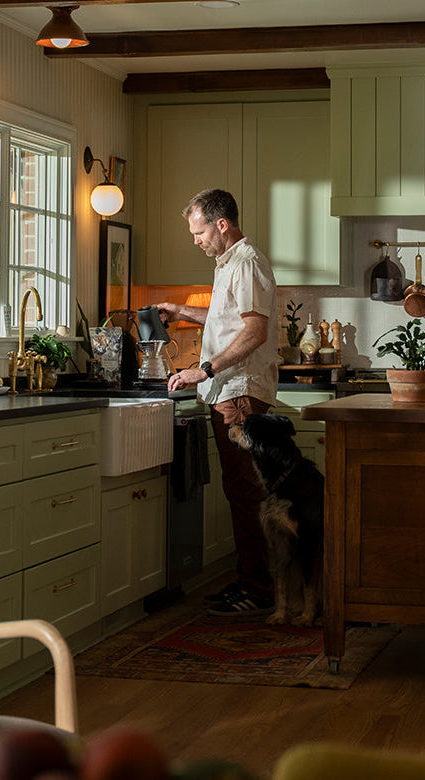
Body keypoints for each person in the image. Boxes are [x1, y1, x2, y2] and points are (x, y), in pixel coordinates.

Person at [156, 189, 279, 618]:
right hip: (230, 392)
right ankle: (251, 580)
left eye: (199, 231)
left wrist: (203, 370)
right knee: (240, 487)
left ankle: (260, 589)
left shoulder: (246, 264)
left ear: (221, 224)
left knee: (245, 490)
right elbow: (230, 321)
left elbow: (255, 332)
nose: (196, 240)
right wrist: (182, 311)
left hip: (238, 393)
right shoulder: (229, 265)